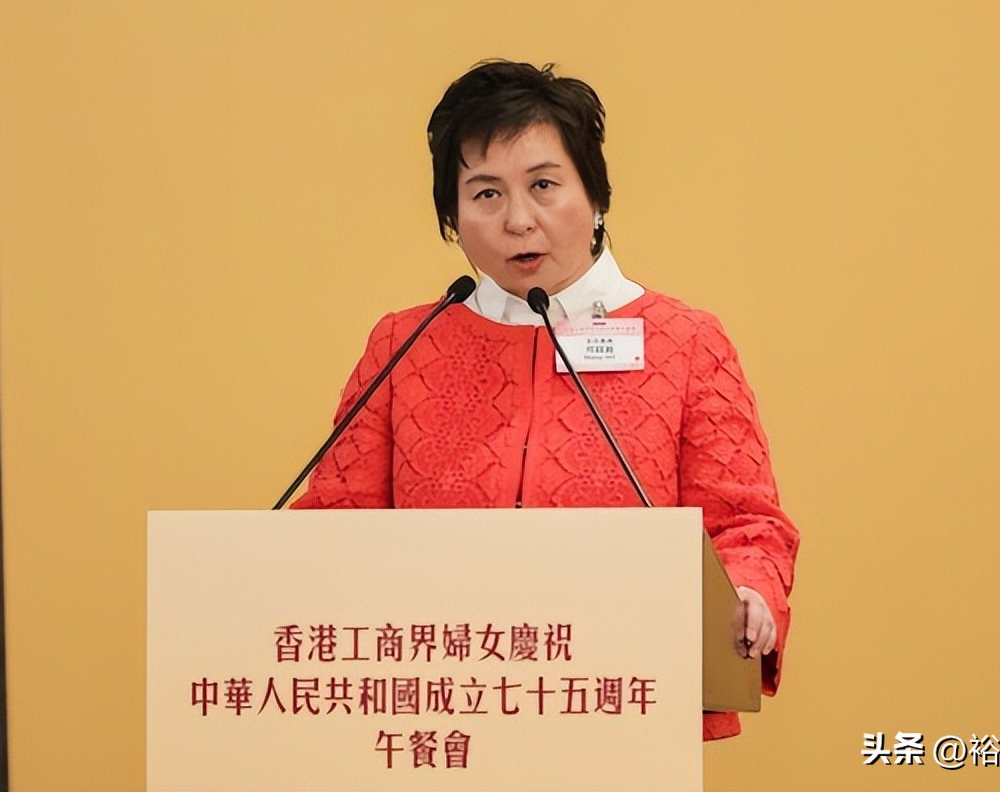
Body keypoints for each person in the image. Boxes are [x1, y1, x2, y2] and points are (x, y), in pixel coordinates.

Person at [291, 60, 799, 741]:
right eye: (486, 194)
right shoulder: (403, 344)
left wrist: (749, 591)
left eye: (543, 185)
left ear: (596, 194)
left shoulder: (685, 341)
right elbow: (336, 522)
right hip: (440, 708)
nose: (518, 220)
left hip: (620, 701)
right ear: (452, 215)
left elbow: (746, 525)